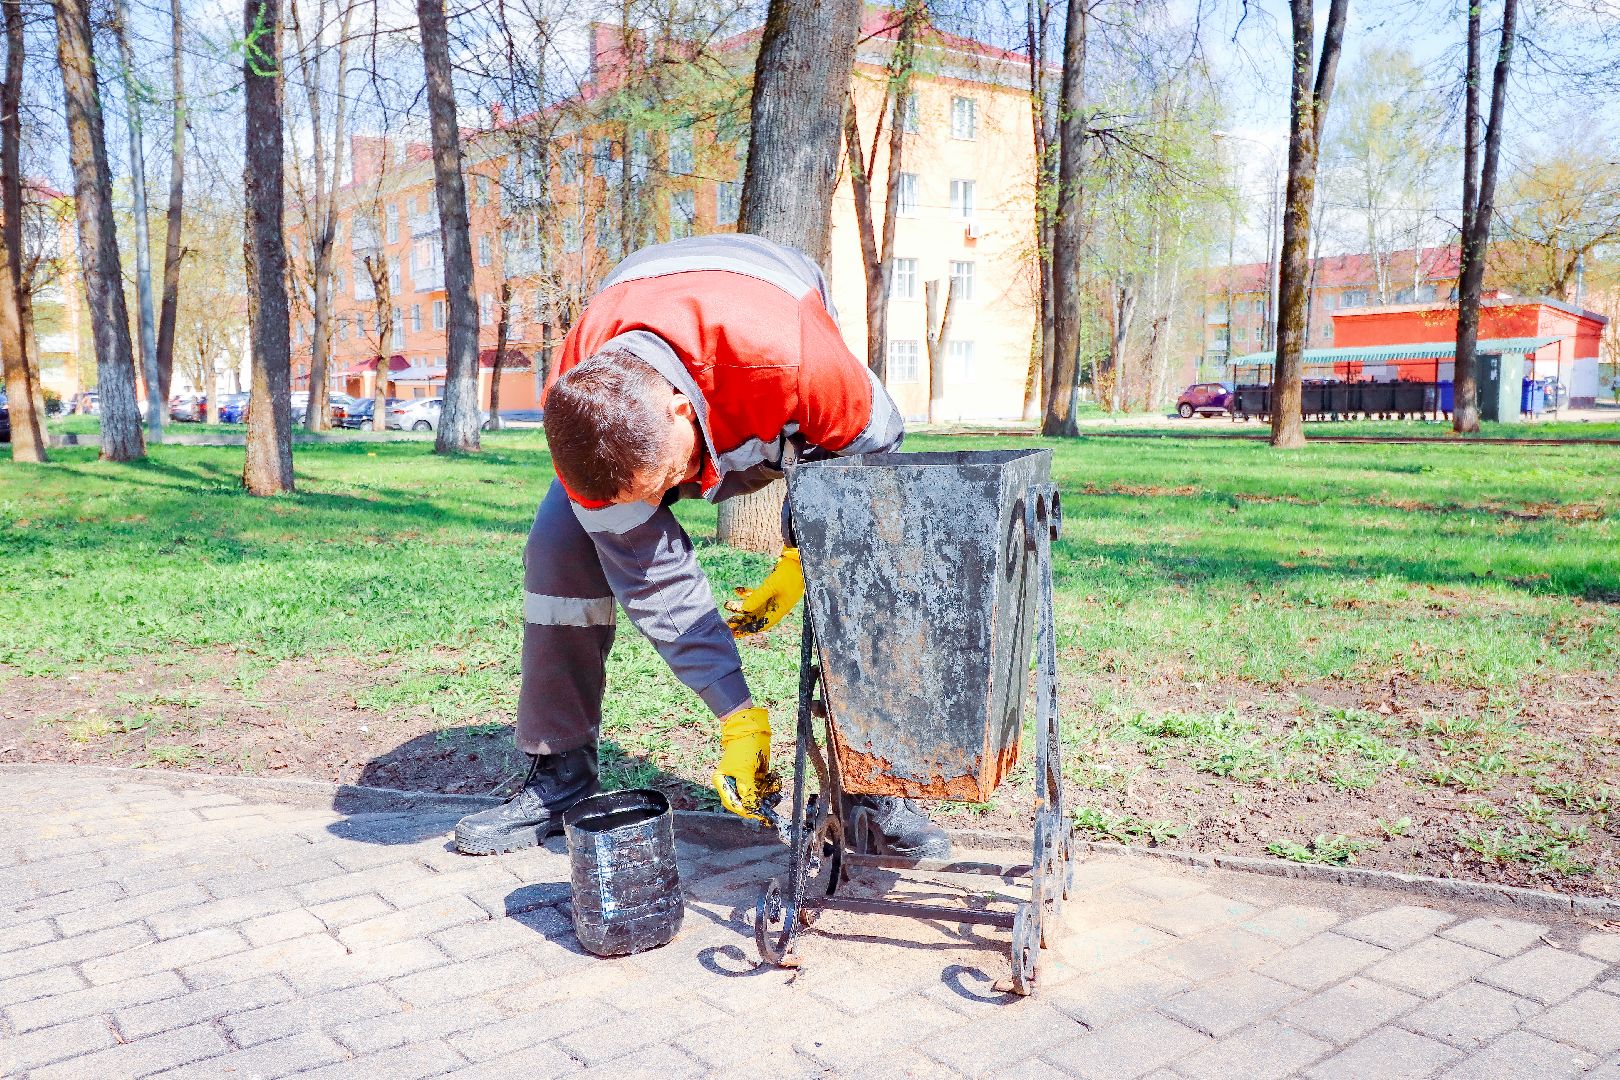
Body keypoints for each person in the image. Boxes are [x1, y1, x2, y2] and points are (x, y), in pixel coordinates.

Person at [454, 234, 950, 860]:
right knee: (559, 549)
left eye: (666, 483)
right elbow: (658, 581)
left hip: (758, 384)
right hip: (657, 407)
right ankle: (561, 777)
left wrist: (804, 554)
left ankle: (875, 784)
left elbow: (878, 457)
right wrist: (736, 714)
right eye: (652, 494)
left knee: (859, 564)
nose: (669, 500)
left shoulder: (797, 357)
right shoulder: (585, 405)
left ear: (681, 410)